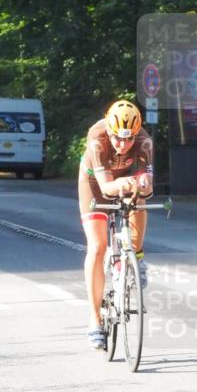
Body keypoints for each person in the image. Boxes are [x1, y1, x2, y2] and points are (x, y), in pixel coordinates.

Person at [78, 100, 154, 349]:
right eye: (118, 139)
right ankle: (95, 319)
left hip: (126, 178)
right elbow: (107, 187)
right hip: (95, 183)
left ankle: (136, 257)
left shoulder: (144, 142)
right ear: (109, 131)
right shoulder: (96, 139)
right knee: (98, 246)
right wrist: (125, 184)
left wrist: (142, 183)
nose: (123, 145)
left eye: (129, 138)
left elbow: (149, 185)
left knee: (139, 198)